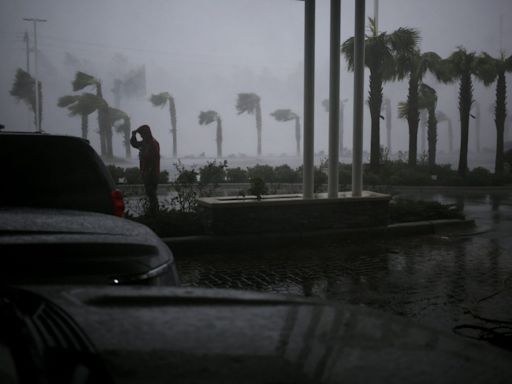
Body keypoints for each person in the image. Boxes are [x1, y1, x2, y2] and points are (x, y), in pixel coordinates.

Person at [130, 124, 160, 215]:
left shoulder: (153, 144)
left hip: (152, 173)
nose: (141, 136)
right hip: (147, 172)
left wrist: (147, 173)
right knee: (150, 193)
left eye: (142, 134)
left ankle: (154, 211)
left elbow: (153, 160)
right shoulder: (145, 143)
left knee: (151, 193)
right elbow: (135, 144)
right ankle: (153, 211)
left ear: (146, 133)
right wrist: (133, 136)